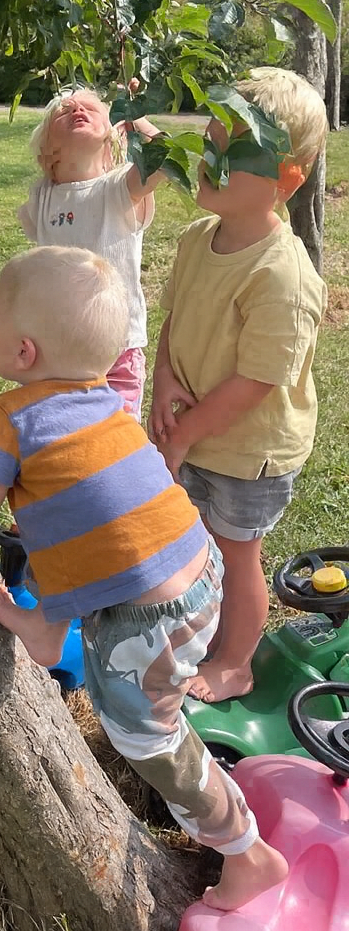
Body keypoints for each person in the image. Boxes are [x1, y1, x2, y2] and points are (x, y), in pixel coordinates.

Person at [0, 245, 288, 910]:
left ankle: (247, 854)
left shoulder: (10, 417)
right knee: (56, 511)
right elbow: (80, 519)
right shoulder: (104, 404)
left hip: (148, 617)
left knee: (147, 738)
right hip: (197, 566)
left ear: (22, 354)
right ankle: (50, 629)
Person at [149, 68, 327, 704]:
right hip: (194, 431)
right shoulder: (199, 238)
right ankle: (194, 622)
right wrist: (164, 378)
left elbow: (255, 382)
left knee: (235, 549)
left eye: (240, 152)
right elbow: (174, 319)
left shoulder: (282, 276)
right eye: (210, 141)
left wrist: (183, 435)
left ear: (288, 178)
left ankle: (234, 662)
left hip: (252, 450)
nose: (212, 161)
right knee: (191, 536)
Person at [19, 88, 167, 417]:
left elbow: (164, 158)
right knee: (58, 433)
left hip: (116, 349)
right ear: (48, 148)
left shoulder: (118, 188)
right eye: (64, 111)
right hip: (56, 346)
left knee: (113, 443)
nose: (76, 110)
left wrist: (135, 116)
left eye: (89, 108)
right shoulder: (42, 197)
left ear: (111, 135)